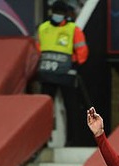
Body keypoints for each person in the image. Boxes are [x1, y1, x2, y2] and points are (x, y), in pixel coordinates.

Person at [36, 0, 90, 147]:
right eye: (56, 12)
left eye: (60, 13)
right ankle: (42, 141)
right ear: (51, 13)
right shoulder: (43, 28)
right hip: (47, 75)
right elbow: (38, 49)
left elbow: (82, 50)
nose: (57, 15)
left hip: (66, 74)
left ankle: (72, 140)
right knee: (44, 109)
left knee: (71, 107)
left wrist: (76, 62)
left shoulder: (73, 29)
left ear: (65, 14)